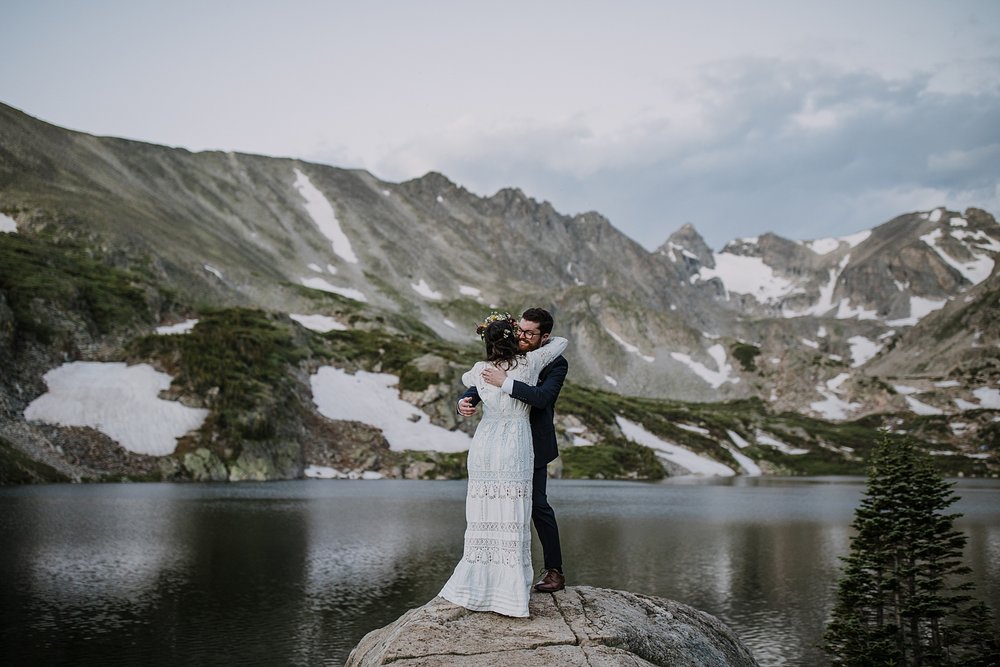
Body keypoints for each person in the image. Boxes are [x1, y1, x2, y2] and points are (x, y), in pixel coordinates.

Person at [439, 312, 568, 617]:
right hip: (499, 446)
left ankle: (555, 571)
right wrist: (465, 401)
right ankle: (492, 573)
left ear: (543, 337)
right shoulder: (507, 355)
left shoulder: (554, 362)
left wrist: (506, 382)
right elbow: (481, 382)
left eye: (529, 333)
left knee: (537, 505)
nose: (522, 337)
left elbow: (542, 397)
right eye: (519, 330)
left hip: (533, 442)